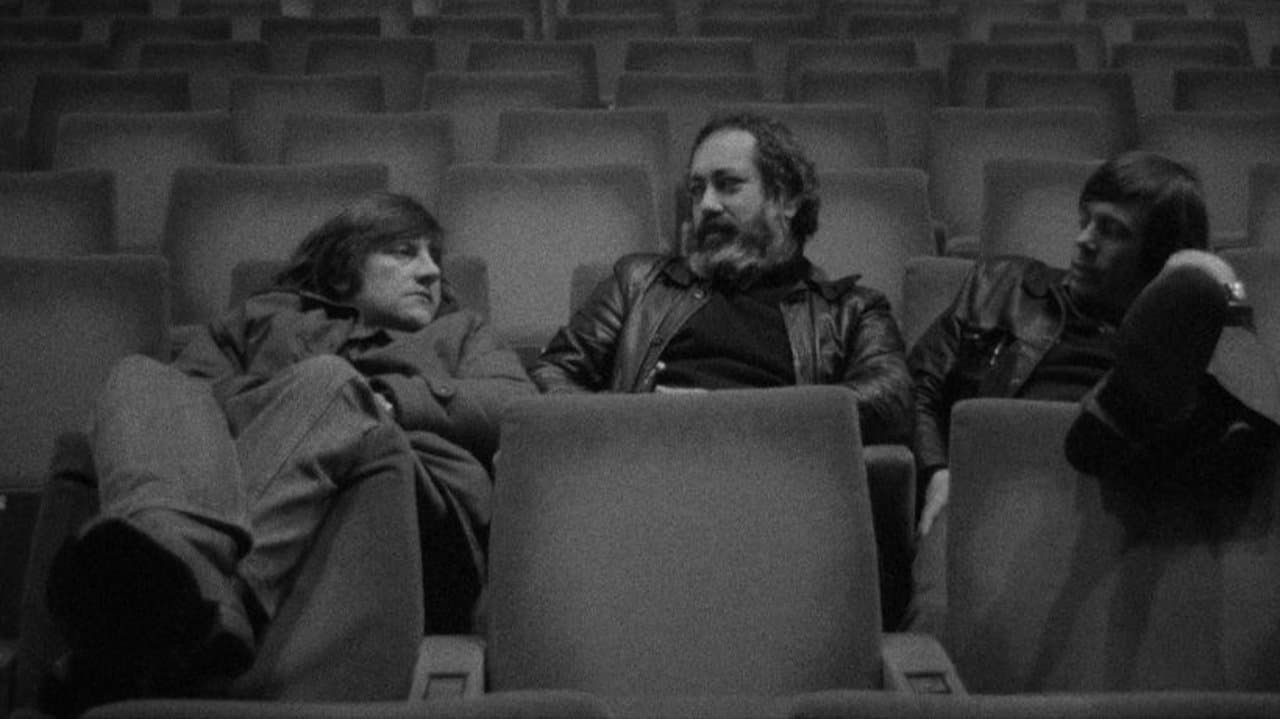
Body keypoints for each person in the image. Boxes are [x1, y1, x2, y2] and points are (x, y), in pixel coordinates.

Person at [41, 192, 535, 713]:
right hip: (245, 478)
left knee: (331, 381)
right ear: (344, 265)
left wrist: (386, 399)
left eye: (434, 255)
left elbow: (513, 404)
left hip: (414, 515)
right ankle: (177, 606)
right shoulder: (259, 318)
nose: (431, 271)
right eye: (404, 252)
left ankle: (194, 590)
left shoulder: (462, 332)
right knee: (138, 376)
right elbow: (184, 400)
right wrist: (280, 405)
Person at [907, 151, 1280, 625]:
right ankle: (1120, 412)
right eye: (1085, 221)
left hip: (1123, 500)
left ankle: (1129, 407)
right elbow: (918, 385)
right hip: (992, 490)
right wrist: (937, 470)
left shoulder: (1183, 334)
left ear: (1159, 255)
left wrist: (1218, 297)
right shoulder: (1001, 282)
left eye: (1111, 230)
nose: (1083, 240)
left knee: (1234, 401)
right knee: (938, 617)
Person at [531, 111, 914, 446]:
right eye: (697, 190)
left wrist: (729, 416)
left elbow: (891, 403)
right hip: (644, 462)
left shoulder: (852, 310)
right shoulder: (638, 283)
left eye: (728, 185)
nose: (706, 205)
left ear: (787, 200)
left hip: (773, 475)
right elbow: (553, 372)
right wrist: (635, 419)